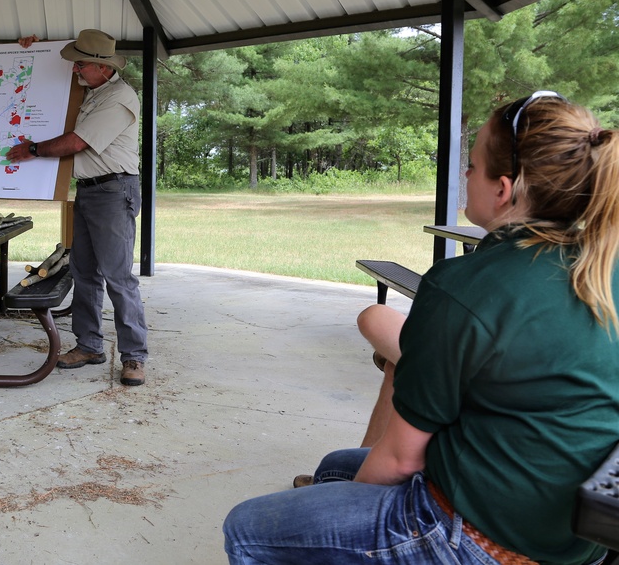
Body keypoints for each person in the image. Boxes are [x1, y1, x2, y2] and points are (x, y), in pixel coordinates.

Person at [224, 91, 619, 565]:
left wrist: (361, 519)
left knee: (247, 529)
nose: (464, 177)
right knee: (335, 468)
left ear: (504, 188)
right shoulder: (600, 263)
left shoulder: (467, 287)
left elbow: (399, 461)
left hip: (486, 539)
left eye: (471, 167)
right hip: (570, 529)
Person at [6, 29, 149, 387]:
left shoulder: (117, 98)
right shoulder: (91, 90)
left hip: (114, 191)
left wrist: (33, 150)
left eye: (81, 65)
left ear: (102, 68)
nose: (75, 71)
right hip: (90, 191)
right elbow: (42, 85)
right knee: (83, 271)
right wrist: (30, 52)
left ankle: (134, 356)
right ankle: (89, 345)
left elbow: (76, 142)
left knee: (118, 276)